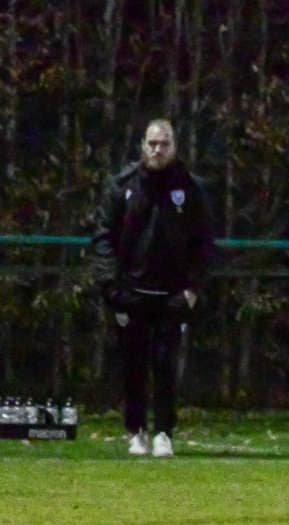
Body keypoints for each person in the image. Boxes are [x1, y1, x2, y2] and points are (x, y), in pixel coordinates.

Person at [91, 119, 216, 457]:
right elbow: (103, 237)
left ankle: (164, 432)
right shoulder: (122, 186)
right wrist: (111, 287)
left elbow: (204, 241)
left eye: (164, 143)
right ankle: (136, 431)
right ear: (143, 145)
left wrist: (192, 289)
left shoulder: (190, 188)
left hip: (172, 295)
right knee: (132, 366)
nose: (157, 149)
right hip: (131, 293)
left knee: (165, 365)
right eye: (152, 143)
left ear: (174, 146)